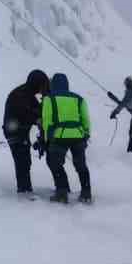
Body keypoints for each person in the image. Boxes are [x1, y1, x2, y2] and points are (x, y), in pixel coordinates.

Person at [40, 73, 92, 203]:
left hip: (59, 137)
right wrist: (86, 134)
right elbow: (86, 119)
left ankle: (62, 192)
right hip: (78, 136)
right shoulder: (79, 99)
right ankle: (86, 193)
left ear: (53, 85)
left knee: (54, 163)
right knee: (81, 165)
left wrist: (48, 138)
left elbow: (47, 120)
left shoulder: (49, 99)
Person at [2, 70, 48, 193]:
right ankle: (24, 190)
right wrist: (37, 119)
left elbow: (36, 110)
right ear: (36, 83)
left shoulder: (26, 93)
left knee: (24, 161)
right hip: (14, 131)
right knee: (22, 160)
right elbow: (29, 112)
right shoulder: (21, 94)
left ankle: (25, 188)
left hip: (18, 131)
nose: (41, 89)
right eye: (42, 85)